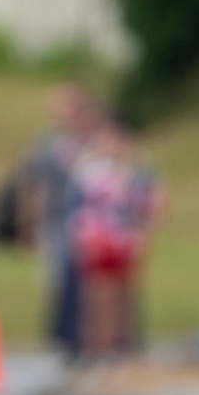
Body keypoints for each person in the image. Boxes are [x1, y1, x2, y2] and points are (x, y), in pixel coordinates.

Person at [16, 85, 102, 358]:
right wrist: (30, 223)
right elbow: (36, 185)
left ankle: (95, 338)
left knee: (93, 281)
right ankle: (68, 340)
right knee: (60, 280)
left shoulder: (94, 141)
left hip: (92, 221)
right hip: (58, 219)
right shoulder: (49, 145)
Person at [70, 115, 161, 359]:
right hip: (98, 239)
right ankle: (97, 348)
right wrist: (83, 239)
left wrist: (143, 237)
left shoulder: (135, 173)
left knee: (124, 296)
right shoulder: (90, 173)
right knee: (99, 297)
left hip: (125, 240)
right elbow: (82, 209)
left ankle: (121, 346)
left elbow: (147, 207)